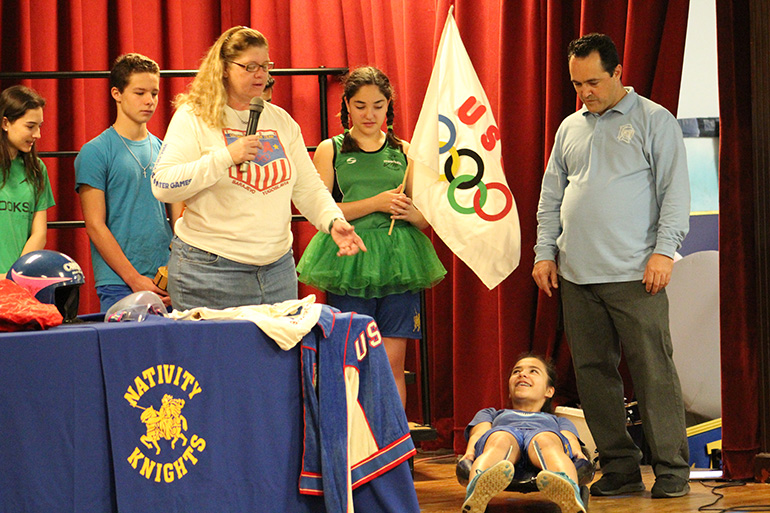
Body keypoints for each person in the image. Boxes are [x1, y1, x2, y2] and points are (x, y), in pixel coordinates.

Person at [532, 33, 691, 499]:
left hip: (636, 273)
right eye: (578, 84)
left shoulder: (653, 120)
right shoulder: (569, 128)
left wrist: (664, 251)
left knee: (653, 373)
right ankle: (620, 470)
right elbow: (551, 198)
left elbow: (675, 195)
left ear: (619, 73)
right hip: (578, 275)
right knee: (594, 375)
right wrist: (545, 252)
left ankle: (671, 472)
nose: (586, 92)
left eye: (594, 82)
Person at [152, 26, 364, 311]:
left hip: (276, 271)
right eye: (250, 66)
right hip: (209, 271)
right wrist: (225, 157)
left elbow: (308, 186)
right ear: (224, 69)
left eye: (265, 66)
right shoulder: (194, 117)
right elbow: (162, 184)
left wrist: (332, 221)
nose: (261, 75)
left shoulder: (281, 121)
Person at [296, 66, 445, 406]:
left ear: (388, 105)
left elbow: (424, 219)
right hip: (350, 261)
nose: (369, 114)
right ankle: (353, 448)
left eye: (378, 105)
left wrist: (411, 213)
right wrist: (374, 203)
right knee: (352, 361)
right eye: (361, 105)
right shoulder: (329, 149)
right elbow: (322, 211)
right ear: (347, 105)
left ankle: (394, 449)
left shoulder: (405, 151)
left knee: (392, 363)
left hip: (400, 263)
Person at [75, 53, 181, 312]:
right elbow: (95, 225)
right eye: (140, 92)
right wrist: (133, 279)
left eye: (154, 93)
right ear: (116, 93)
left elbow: (179, 219)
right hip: (118, 281)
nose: (149, 101)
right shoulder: (95, 152)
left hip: (166, 279)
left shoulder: (166, 150)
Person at [460, 354, 587, 513]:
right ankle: (478, 490)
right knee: (501, 438)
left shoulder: (558, 421)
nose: (522, 374)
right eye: (516, 372)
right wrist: (470, 453)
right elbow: (478, 434)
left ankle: (567, 490)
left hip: (542, 444)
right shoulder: (492, 414)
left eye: (533, 371)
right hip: (504, 450)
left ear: (549, 391)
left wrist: (578, 454)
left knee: (546, 439)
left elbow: (570, 438)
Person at [0, 85, 55, 274]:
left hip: (19, 283)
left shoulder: (37, 169)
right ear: (5, 123)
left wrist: (15, 275)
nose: (37, 134)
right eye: (30, 126)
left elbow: (39, 233)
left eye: (39, 126)